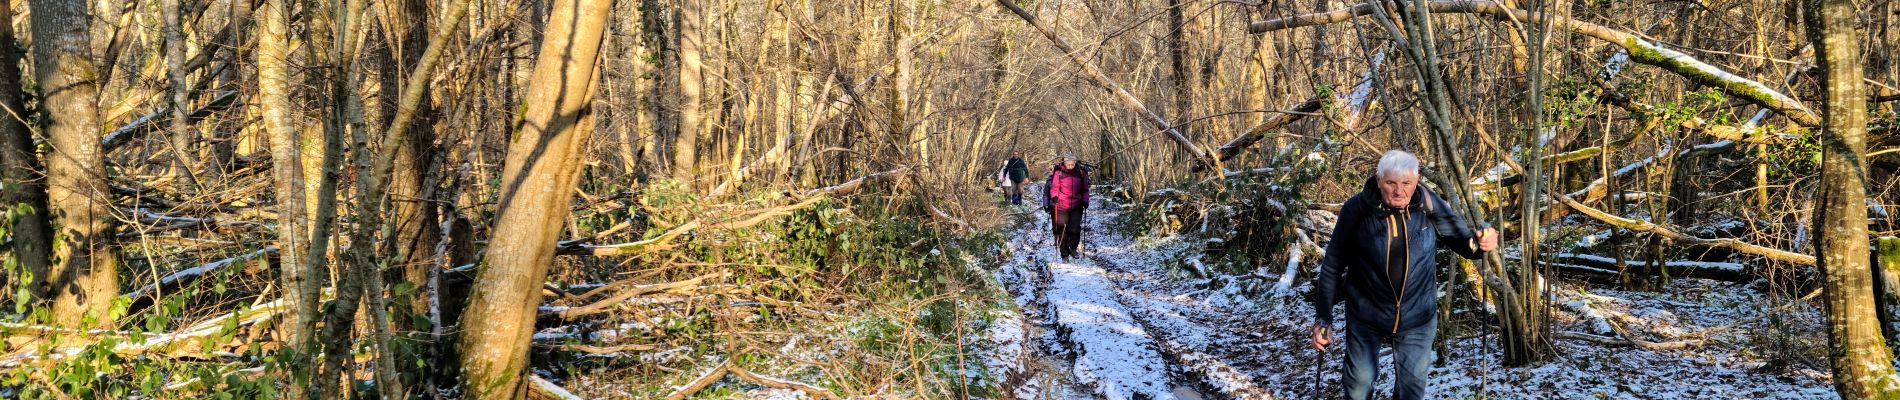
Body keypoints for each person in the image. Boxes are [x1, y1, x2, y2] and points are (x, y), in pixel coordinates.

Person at [1309, 150, 1498, 400]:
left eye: (1406, 183)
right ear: (1378, 180)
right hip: (1366, 314)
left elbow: (1464, 243)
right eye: (1391, 183)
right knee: (1358, 387)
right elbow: (1333, 263)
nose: (1399, 191)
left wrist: (1480, 243)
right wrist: (1323, 318)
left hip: (1417, 315)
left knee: (1411, 391)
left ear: (1416, 180)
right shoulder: (1357, 209)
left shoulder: (1428, 205)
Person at [1043, 154, 1090, 261]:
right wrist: (1054, 196)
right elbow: (1054, 187)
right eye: (1068, 163)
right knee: (1062, 230)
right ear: (1064, 163)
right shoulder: (1058, 173)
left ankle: (1072, 248)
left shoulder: (1081, 173)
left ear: (1075, 163)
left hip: (1077, 205)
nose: (1070, 165)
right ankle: (1064, 253)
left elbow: (1085, 190)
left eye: (1072, 163)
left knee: (1075, 229)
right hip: (1061, 206)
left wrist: (1085, 200)